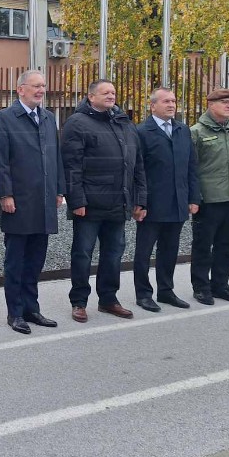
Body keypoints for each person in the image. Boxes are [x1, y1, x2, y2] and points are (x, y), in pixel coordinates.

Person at [61, 79, 147, 323]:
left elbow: (137, 165)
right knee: (83, 254)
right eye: (105, 92)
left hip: (119, 203)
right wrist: (76, 200)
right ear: (90, 96)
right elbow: (71, 166)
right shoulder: (77, 123)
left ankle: (108, 299)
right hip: (89, 205)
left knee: (113, 254)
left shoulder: (124, 123)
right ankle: (79, 301)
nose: (111, 95)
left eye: (113, 92)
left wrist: (140, 200)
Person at [0, 70, 65, 335]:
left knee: (35, 260)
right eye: (35, 86)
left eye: (43, 86)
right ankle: (16, 312)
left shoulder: (48, 118)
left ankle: (32, 308)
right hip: (19, 202)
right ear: (20, 89)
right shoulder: (5, 118)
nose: (41, 90)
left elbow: (56, 157)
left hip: (44, 202)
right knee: (16, 261)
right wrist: (5, 195)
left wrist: (59, 189)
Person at [133, 87, 200, 312]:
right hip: (151, 205)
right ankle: (143, 293)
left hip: (178, 202)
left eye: (173, 101)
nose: (171, 105)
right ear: (152, 106)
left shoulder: (183, 130)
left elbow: (191, 166)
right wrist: (139, 202)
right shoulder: (142, 132)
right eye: (166, 101)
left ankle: (166, 290)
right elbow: (136, 170)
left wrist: (193, 197)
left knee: (169, 250)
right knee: (144, 252)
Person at [189, 88, 229, 305]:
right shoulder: (197, 132)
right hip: (209, 201)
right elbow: (190, 169)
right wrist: (195, 198)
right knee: (203, 246)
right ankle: (201, 287)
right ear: (211, 104)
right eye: (224, 102)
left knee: (227, 247)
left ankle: (221, 285)